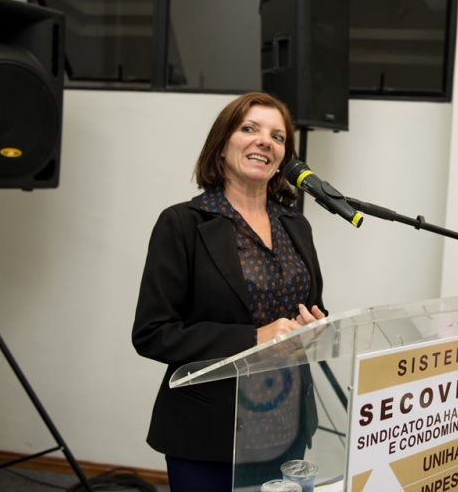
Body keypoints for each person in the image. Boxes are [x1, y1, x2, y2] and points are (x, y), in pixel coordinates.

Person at [132, 92, 326, 491]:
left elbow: (311, 306)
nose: (265, 141)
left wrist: (315, 326)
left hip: (287, 423)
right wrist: (253, 338)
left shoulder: (296, 225)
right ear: (222, 145)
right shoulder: (182, 224)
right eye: (249, 128)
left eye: (277, 136)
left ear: (283, 157)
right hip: (209, 430)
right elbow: (153, 332)